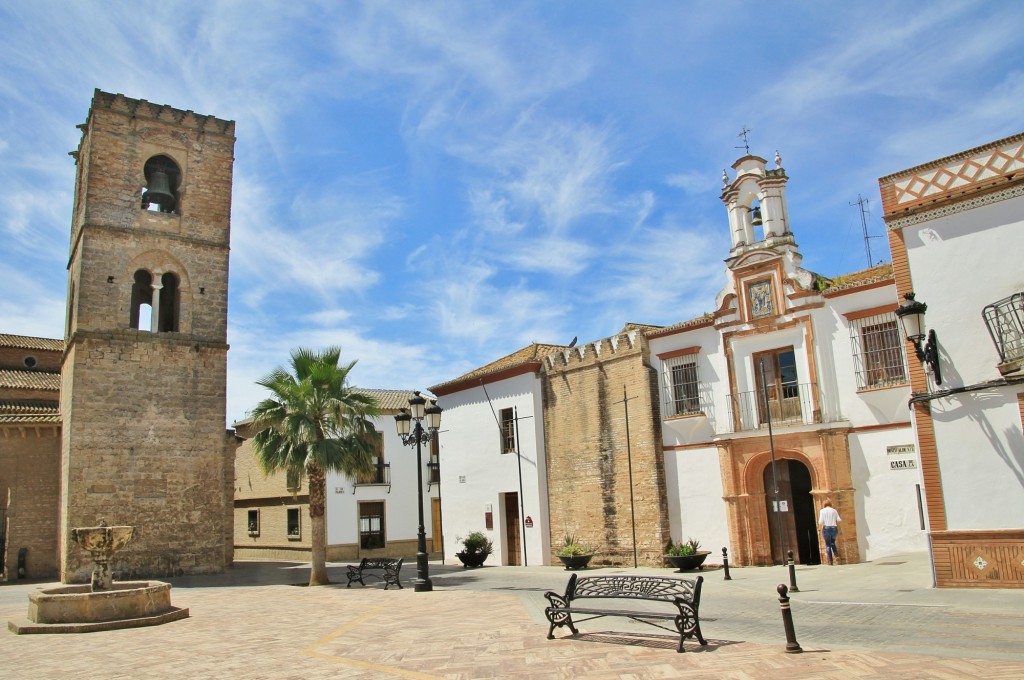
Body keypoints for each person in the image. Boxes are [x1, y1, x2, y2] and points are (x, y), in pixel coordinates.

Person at [818, 499, 841, 565]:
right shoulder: (834, 510)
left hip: (826, 528)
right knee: (833, 542)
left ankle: (830, 561)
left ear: (824, 504)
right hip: (834, 528)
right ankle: (836, 555)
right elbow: (839, 519)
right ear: (830, 504)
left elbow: (820, 522)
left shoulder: (822, 511)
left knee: (828, 545)